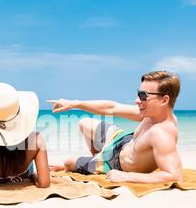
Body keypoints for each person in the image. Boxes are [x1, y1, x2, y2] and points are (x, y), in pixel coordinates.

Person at [48, 70, 183, 184]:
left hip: (115, 163)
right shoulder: (151, 113)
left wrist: (127, 176)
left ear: (164, 100)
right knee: (85, 123)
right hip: (122, 141)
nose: (137, 100)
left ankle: (97, 163)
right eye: (138, 93)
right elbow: (112, 107)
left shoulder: (162, 133)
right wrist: (74, 104)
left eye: (143, 96)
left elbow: (174, 175)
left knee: (68, 163)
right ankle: (96, 158)